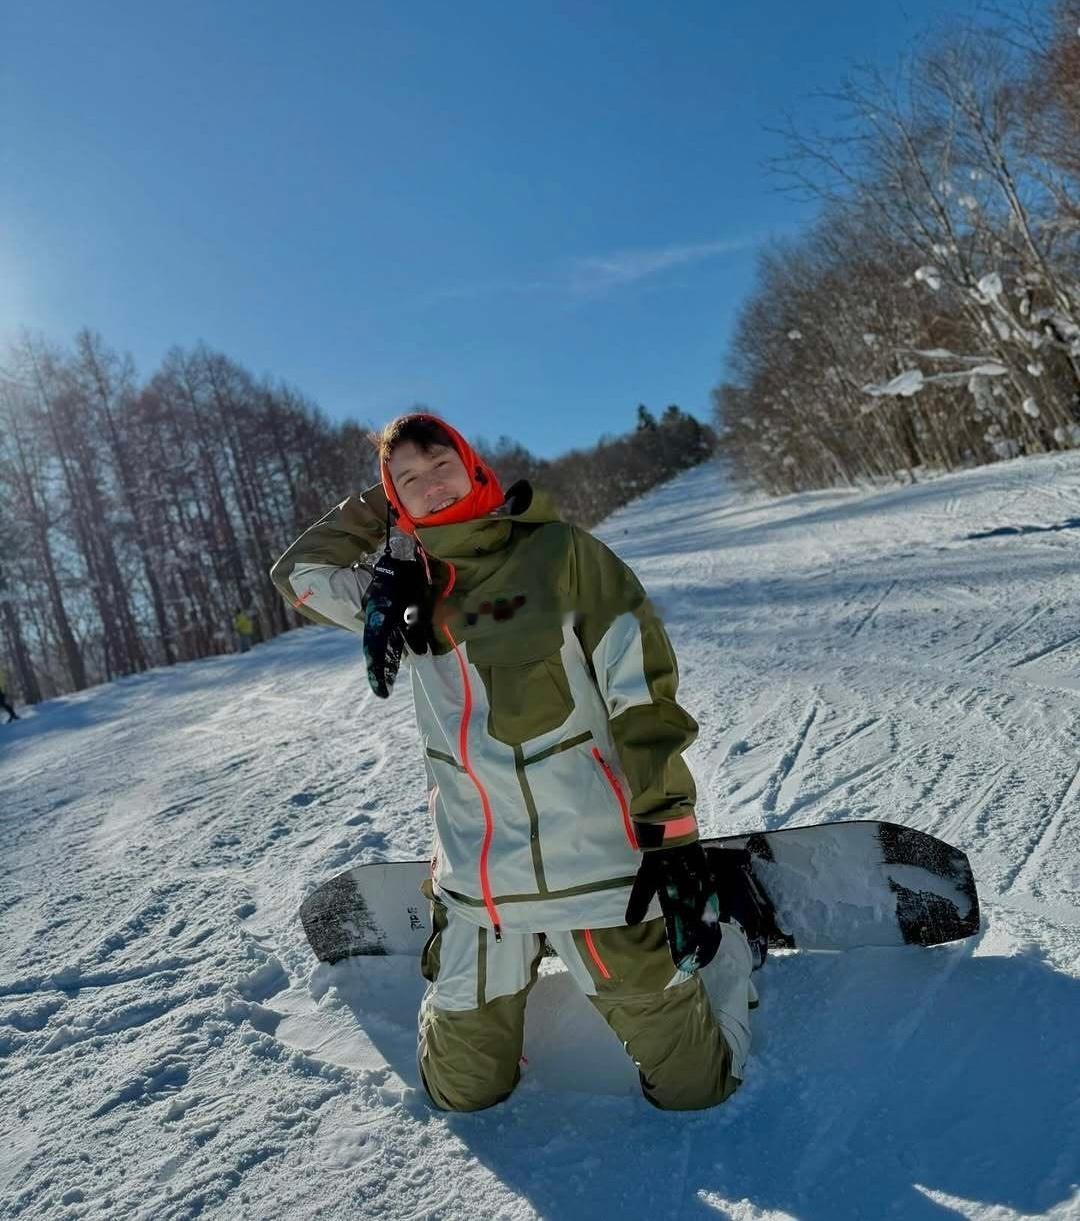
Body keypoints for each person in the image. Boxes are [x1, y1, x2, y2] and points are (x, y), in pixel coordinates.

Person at [270, 413, 765, 1112]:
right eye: (406, 479)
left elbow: (642, 695)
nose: (429, 485)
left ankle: (731, 948)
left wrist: (672, 824)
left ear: (472, 466)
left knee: (696, 1088)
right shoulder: (406, 591)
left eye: (439, 464)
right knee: (461, 1092)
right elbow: (296, 573)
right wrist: (392, 530)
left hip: (596, 872)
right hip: (480, 884)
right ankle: (516, 963)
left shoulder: (561, 555)